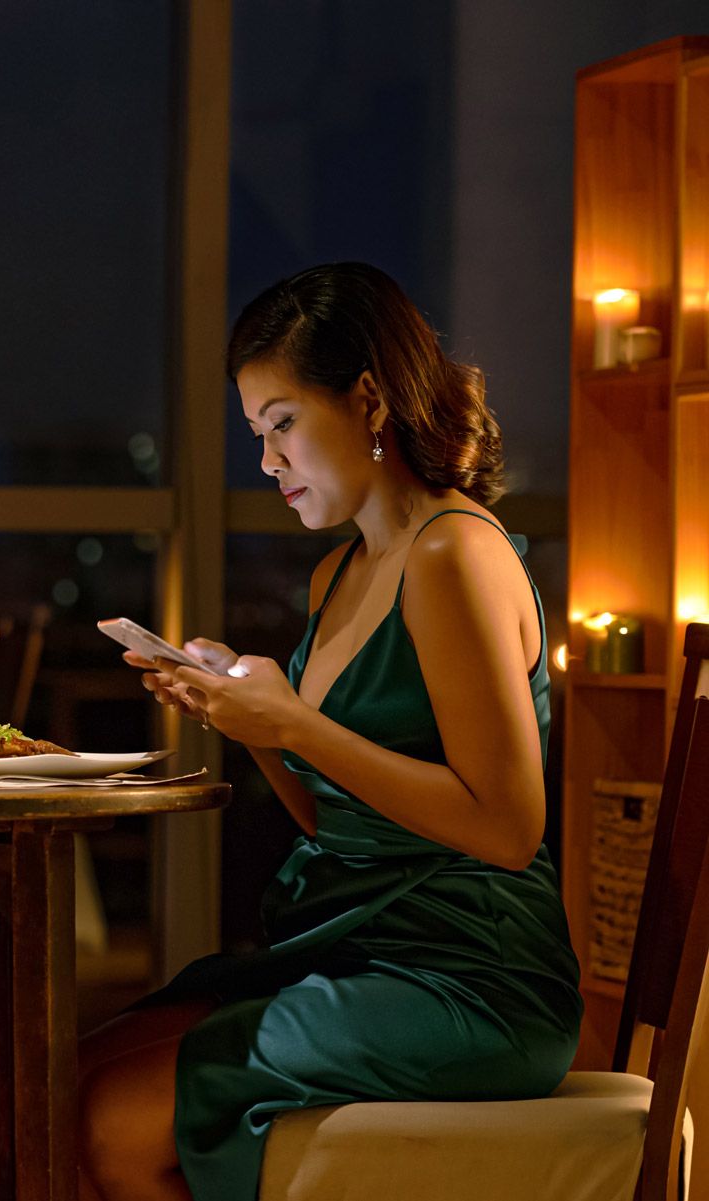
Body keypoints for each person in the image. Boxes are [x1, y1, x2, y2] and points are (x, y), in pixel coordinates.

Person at [77, 262, 582, 1201]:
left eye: (282, 425)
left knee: (112, 1116)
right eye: (256, 433)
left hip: (470, 978)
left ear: (369, 401)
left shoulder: (455, 557)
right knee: (68, 1075)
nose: (267, 463)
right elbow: (337, 823)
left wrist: (297, 723)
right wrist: (248, 720)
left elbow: (510, 827)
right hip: (357, 943)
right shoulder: (340, 574)